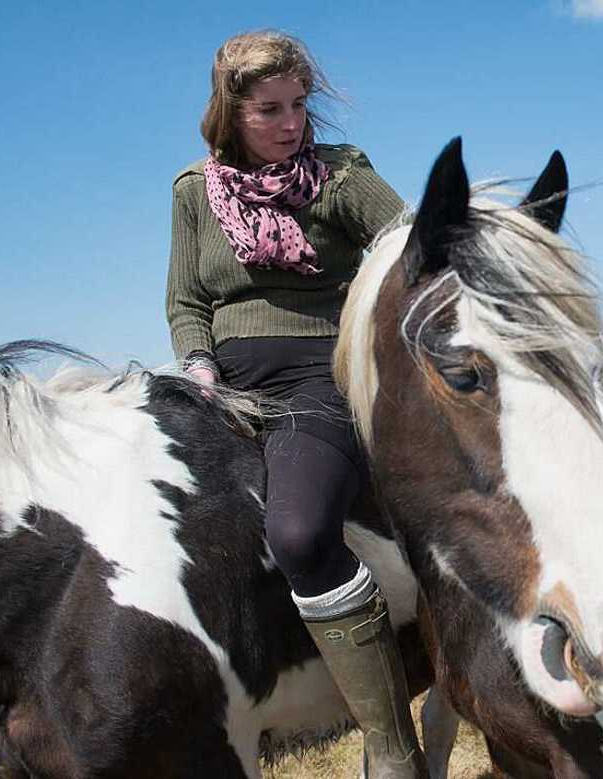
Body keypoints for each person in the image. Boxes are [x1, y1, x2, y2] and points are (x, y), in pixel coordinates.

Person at [166, 30, 426, 778]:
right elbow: (186, 299)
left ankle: (391, 745)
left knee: (301, 532)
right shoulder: (193, 191)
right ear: (230, 111)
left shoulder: (341, 176)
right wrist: (198, 368)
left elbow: (412, 242)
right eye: (268, 110)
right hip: (219, 386)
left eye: (299, 106)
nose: (289, 123)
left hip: (322, 375)